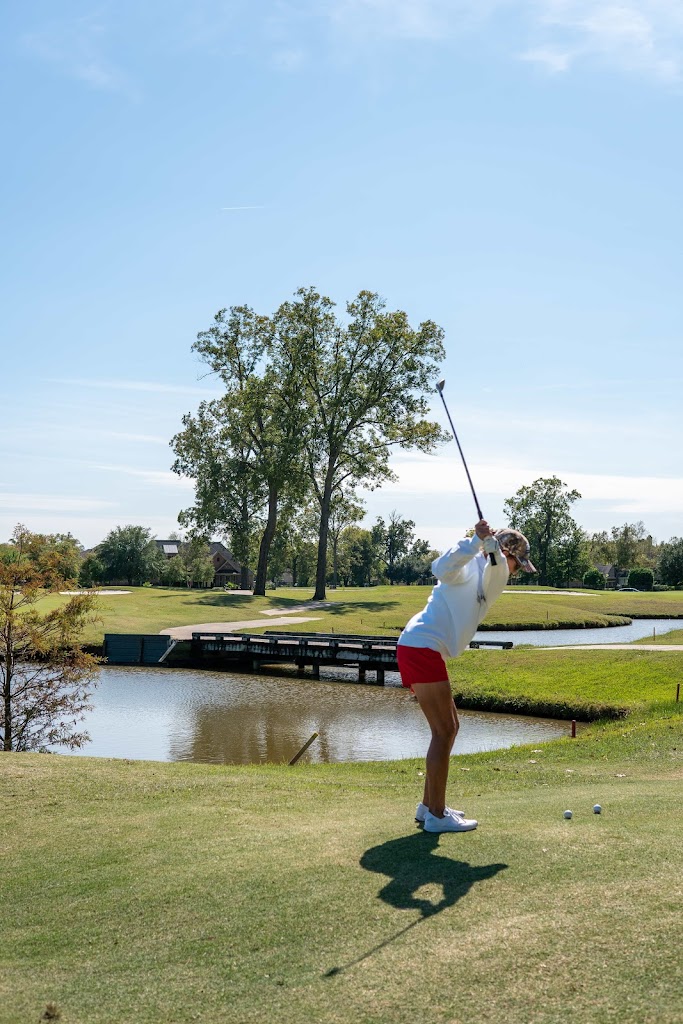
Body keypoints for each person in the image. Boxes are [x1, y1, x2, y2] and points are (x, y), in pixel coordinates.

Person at [396, 520, 536, 833]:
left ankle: (428, 806)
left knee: (449, 728)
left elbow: (496, 569)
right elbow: (441, 567)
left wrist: (489, 548)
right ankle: (436, 815)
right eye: (518, 564)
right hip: (421, 646)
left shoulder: (491, 574)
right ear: (507, 554)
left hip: (422, 647)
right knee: (444, 731)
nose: (516, 572)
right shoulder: (469, 565)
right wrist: (476, 541)